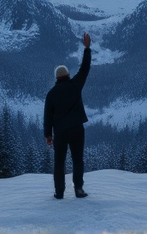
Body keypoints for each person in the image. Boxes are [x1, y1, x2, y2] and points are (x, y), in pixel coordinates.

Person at [44, 32, 91, 199]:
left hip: (61, 132)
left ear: (56, 78)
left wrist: (48, 135)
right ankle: (78, 189)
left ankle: (59, 192)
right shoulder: (75, 85)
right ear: (68, 75)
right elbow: (85, 69)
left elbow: (48, 116)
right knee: (78, 160)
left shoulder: (51, 94)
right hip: (77, 129)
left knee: (59, 162)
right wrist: (86, 49)